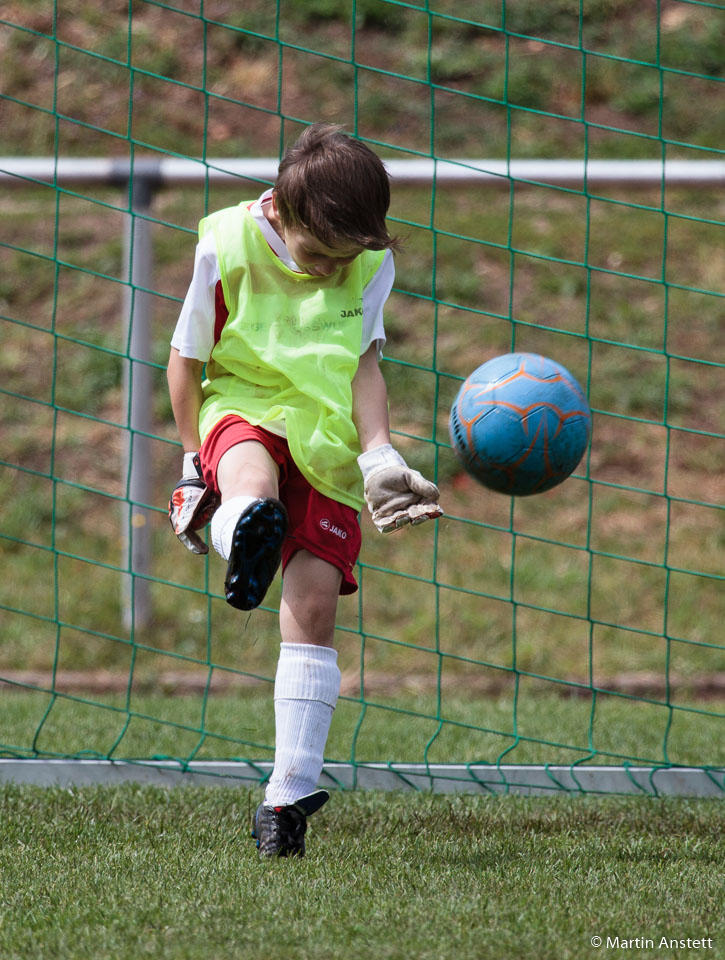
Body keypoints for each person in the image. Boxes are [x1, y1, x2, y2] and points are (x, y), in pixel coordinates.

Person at [166, 123, 442, 858]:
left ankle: (286, 795)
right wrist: (194, 459)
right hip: (241, 405)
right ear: (278, 215)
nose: (329, 270)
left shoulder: (366, 260)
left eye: (343, 258)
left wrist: (380, 457)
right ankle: (234, 527)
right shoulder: (224, 244)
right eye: (317, 254)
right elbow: (185, 358)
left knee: (314, 603)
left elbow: (363, 366)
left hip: (326, 437)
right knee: (252, 486)